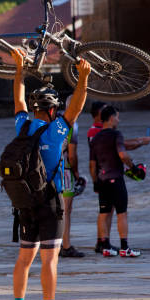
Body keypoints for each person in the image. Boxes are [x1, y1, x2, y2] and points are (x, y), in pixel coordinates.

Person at [10, 48, 90, 300]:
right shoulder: (58, 131)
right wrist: (84, 78)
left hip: (24, 202)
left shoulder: (23, 126)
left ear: (35, 110)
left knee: (24, 258)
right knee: (49, 259)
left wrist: (19, 69)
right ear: (53, 109)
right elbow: (77, 107)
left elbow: (18, 100)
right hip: (50, 201)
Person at [87, 101, 150, 253]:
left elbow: (92, 165)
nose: (118, 120)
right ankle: (124, 247)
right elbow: (123, 155)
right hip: (116, 179)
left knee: (103, 213)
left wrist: (95, 182)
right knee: (122, 213)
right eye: (117, 117)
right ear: (110, 118)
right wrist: (134, 168)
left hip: (102, 181)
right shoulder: (116, 135)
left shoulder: (95, 139)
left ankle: (106, 247)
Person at [59, 95, 84, 258]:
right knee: (66, 210)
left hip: (47, 169)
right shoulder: (72, 125)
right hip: (64, 171)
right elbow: (72, 155)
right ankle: (65, 245)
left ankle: (50, 242)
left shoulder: (53, 119)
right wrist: (76, 173)